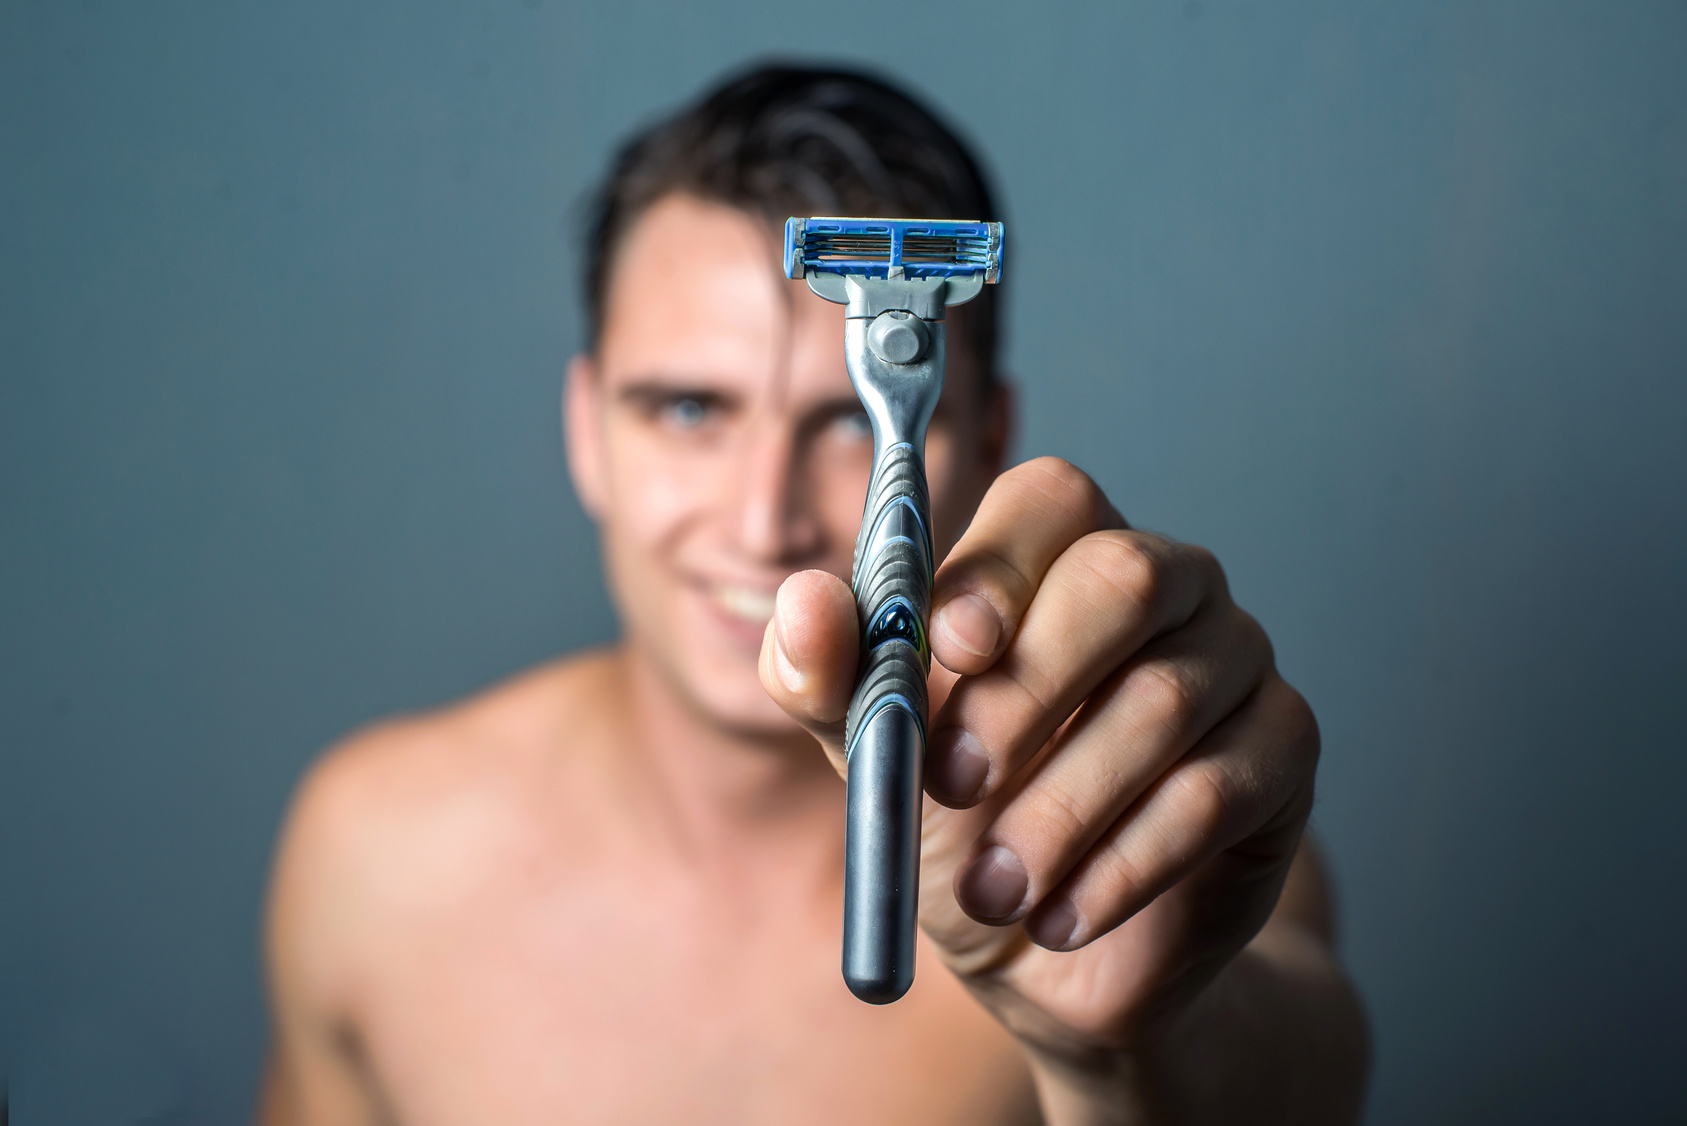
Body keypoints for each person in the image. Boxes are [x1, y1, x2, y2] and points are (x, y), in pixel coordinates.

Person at [256, 64, 1368, 1125]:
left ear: (987, 439)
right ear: (585, 429)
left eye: (844, 421)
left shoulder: (1144, 840)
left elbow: (1300, 1089)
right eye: (689, 409)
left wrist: (1128, 1048)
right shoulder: (374, 851)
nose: (762, 523)